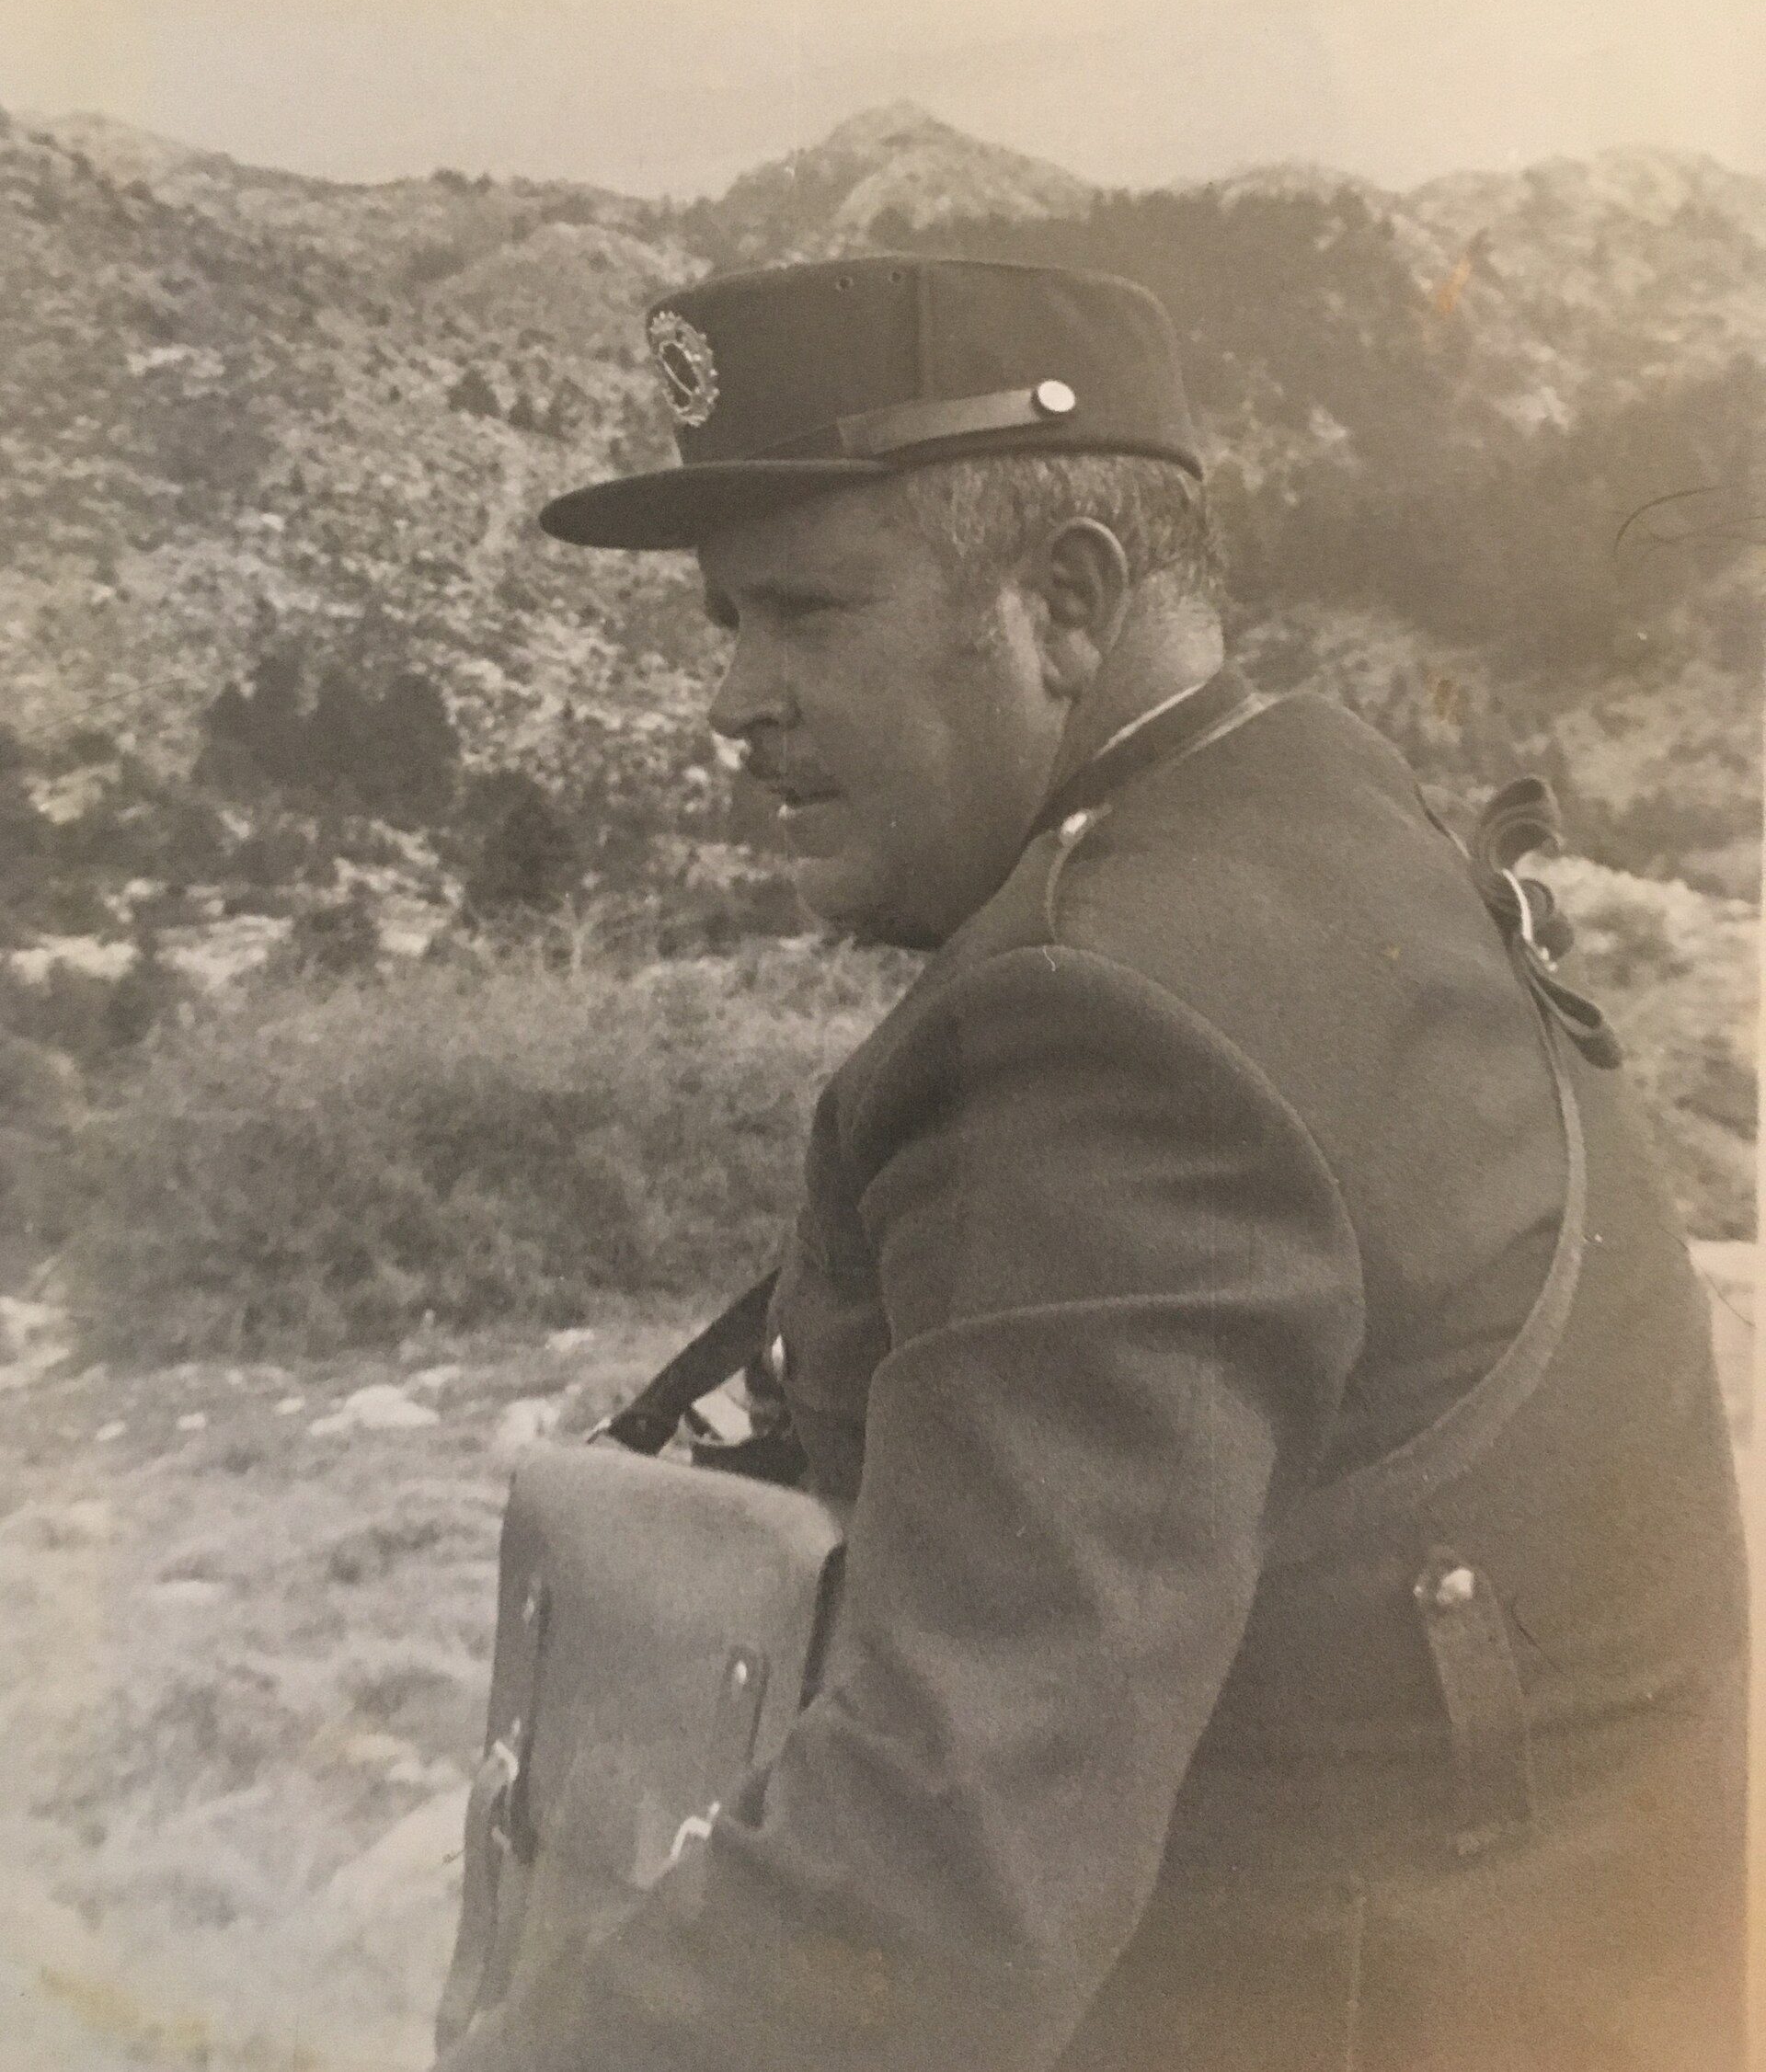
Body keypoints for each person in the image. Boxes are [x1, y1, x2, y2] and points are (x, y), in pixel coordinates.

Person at [438, 255, 1747, 2070]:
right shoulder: (1311, 805)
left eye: (805, 610)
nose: (732, 701)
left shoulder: (1096, 1028)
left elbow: (932, 1894)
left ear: (1068, 602)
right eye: (721, 621)